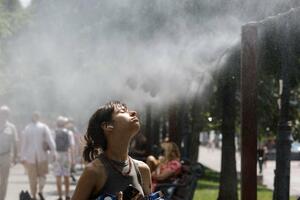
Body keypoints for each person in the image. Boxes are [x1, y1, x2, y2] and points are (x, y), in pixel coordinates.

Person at [71, 101, 152, 200]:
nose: (133, 112)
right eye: (123, 111)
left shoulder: (143, 170)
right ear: (107, 126)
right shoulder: (94, 171)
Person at [20, 112, 56, 200]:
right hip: (31, 157)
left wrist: (54, 151)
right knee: (32, 178)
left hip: (41, 156)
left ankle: (40, 190)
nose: (35, 117)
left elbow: (50, 140)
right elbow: (24, 143)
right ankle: (34, 195)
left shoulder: (43, 127)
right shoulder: (28, 128)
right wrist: (22, 157)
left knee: (42, 176)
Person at [53, 116, 75, 200]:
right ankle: (67, 195)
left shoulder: (54, 132)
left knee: (58, 176)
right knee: (66, 176)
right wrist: (72, 159)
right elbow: (72, 146)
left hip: (57, 155)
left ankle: (60, 196)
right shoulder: (69, 133)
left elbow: (52, 146)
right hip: (66, 154)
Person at [0, 105, 18, 200]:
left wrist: (15, 157)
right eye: (2, 113)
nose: (3, 115)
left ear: (8, 115)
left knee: (4, 180)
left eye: (5, 113)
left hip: (6, 156)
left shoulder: (12, 127)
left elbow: (15, 142)